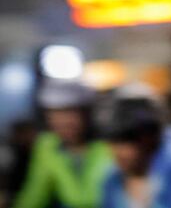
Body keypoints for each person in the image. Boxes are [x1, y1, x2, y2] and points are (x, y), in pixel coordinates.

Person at [101, 85, 171, 208]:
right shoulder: (112, 179)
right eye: (114, 141)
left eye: (126, 140)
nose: (118, 152)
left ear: (150, 137)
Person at [12, 79, 113, 208]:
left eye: (72, 113)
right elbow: (34, 193)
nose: (64, 122)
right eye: (56, 115)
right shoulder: (47, 146)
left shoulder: (108, 145)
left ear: (88, 114)